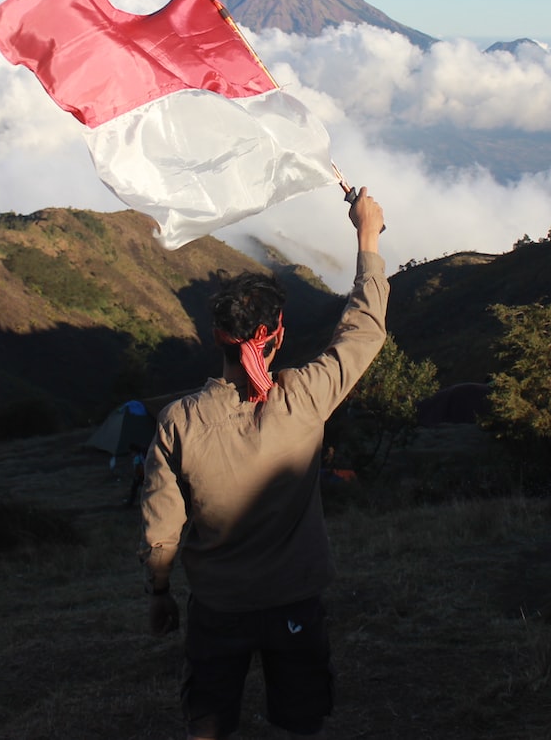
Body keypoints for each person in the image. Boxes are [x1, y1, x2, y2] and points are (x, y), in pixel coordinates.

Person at [140, 186, 387, 740]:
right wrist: (366, 234)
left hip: (217, 606)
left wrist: (159, 595)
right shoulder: (305, 398)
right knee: (300, 718)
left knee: (208, 718)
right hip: (294, 600)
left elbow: (162, 525)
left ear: (217, 340)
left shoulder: (178, 422)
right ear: (276, 337)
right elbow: (364, 328)